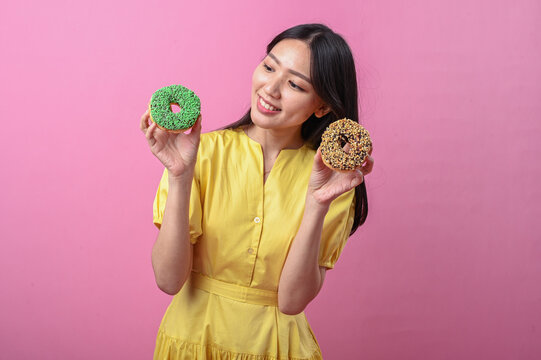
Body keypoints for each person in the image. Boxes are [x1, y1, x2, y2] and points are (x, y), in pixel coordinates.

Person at [140, 23, 375, 360]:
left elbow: (292, 301)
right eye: (268, 67)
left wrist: (316, 203)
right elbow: (167, 280)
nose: (271, 89)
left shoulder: (331, 181)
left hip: (278, 349)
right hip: (190, 343)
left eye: (295, 84)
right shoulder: (199, 154)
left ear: (322, 106)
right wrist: (179, 176)